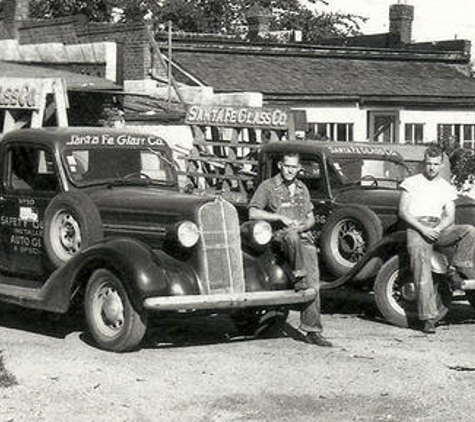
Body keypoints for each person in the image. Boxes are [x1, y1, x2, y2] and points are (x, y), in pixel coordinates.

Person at [248, 152, 332, 347]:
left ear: (298, 168)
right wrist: (279, 218)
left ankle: (312, 330)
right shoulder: (268, 186)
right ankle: (298, 276)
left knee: (314, 284)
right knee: (291, 237)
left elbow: (310, 217)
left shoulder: (302, 188)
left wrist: (302, 226)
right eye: (287, 166)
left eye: (294, 167)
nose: (290, 170)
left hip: (302, 237)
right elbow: (253, 212)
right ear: (280, 165)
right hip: (280, 237)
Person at [399, 144, 475, 334]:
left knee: (469, 231)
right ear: (423, 163)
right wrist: (423, 229)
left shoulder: (446, 187)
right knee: (422, 269)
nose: (431, 168)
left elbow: (449, 215)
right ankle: (427, 318)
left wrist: (438, 228)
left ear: (441, 165)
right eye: (428, 163)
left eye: (435, 164)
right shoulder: (411, 182)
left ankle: (455, 268)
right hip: (417, 227)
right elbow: (403, 212)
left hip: (438, 227)